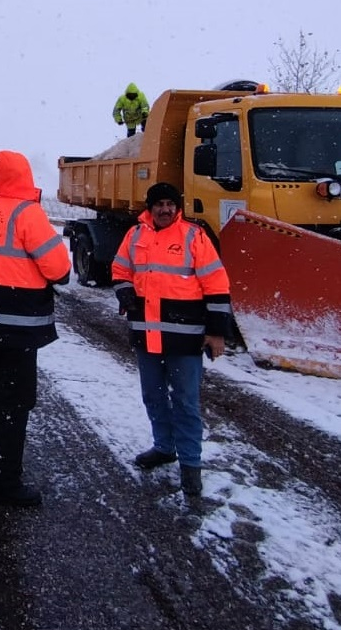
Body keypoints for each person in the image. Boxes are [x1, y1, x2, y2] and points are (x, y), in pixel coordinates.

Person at [110, 182, 232, 497]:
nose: (165, 209)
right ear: (149, 208)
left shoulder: (194, 236)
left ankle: (190, 466)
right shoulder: (135, 235)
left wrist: (216, 332)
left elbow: (216, 283)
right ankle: (164, 447)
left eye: (170, 204)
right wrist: (124, 291)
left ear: (178, 208)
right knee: (153, 396)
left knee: (186, 402)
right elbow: (120, 269)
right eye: (159, 204)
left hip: (185, 339)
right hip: (147, 335)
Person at [0, 151, 71, 506]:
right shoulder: (28, 214)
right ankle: (5, 482)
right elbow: (58, 268)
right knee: (16, 402)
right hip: (19, 326)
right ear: (25, 176)